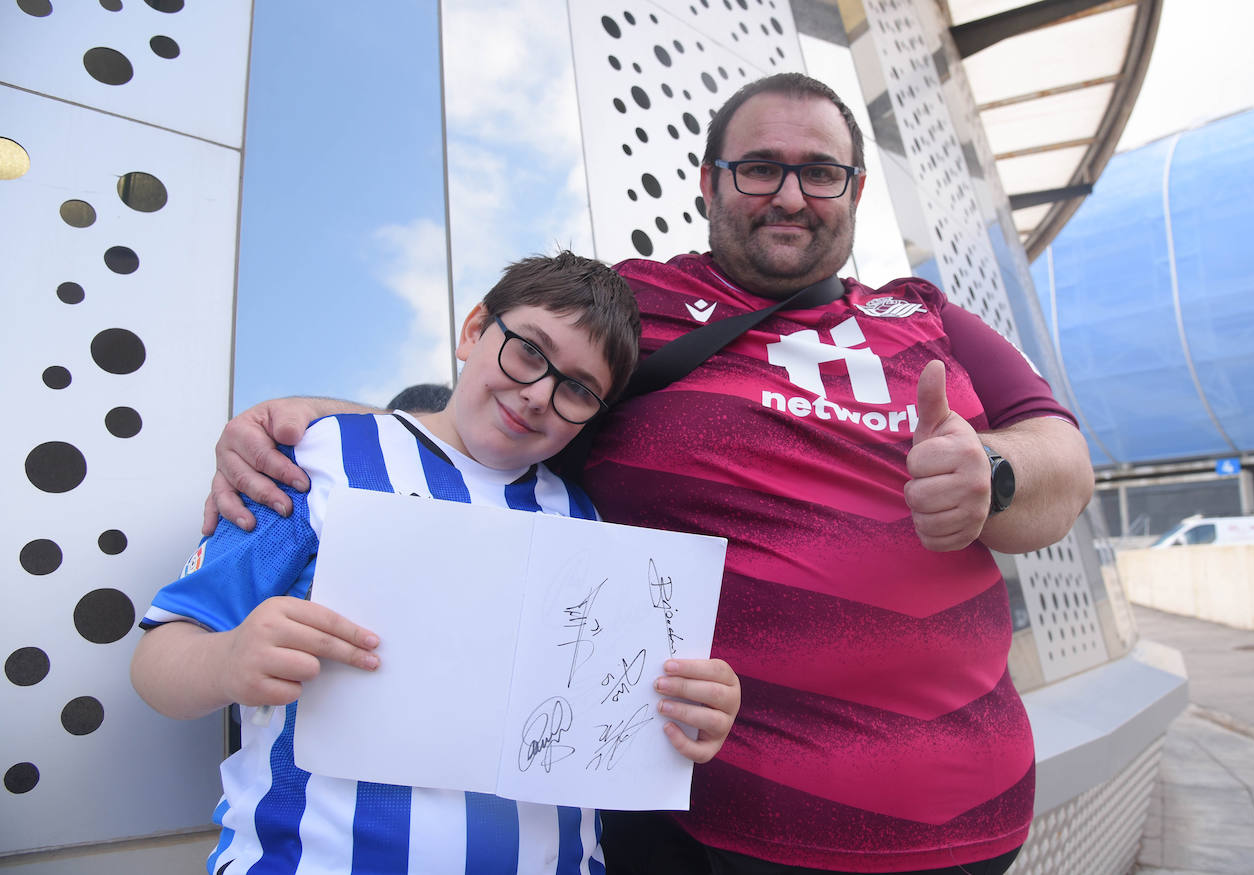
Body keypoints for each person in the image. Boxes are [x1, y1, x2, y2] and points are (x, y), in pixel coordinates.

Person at [204, 74, 1095, 874]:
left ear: (854, 192)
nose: (790, 194)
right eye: (759, 167)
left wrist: (994, 473)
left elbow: (1064, 460)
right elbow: (504, 394)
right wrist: (319, 420)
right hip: (714, 826)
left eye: (820, 172)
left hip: (971, 818)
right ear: (709, 182)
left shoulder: (927, 316)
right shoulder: (641, 306)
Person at [130, 252, 741, 875]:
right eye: (529, 350)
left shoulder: (586, 522)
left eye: (578, 390)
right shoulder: (320, 459)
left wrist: (690, 710)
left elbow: (615, 715)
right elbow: (159, 659)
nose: (537, 395)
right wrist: (229, 662)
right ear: (474, 330)